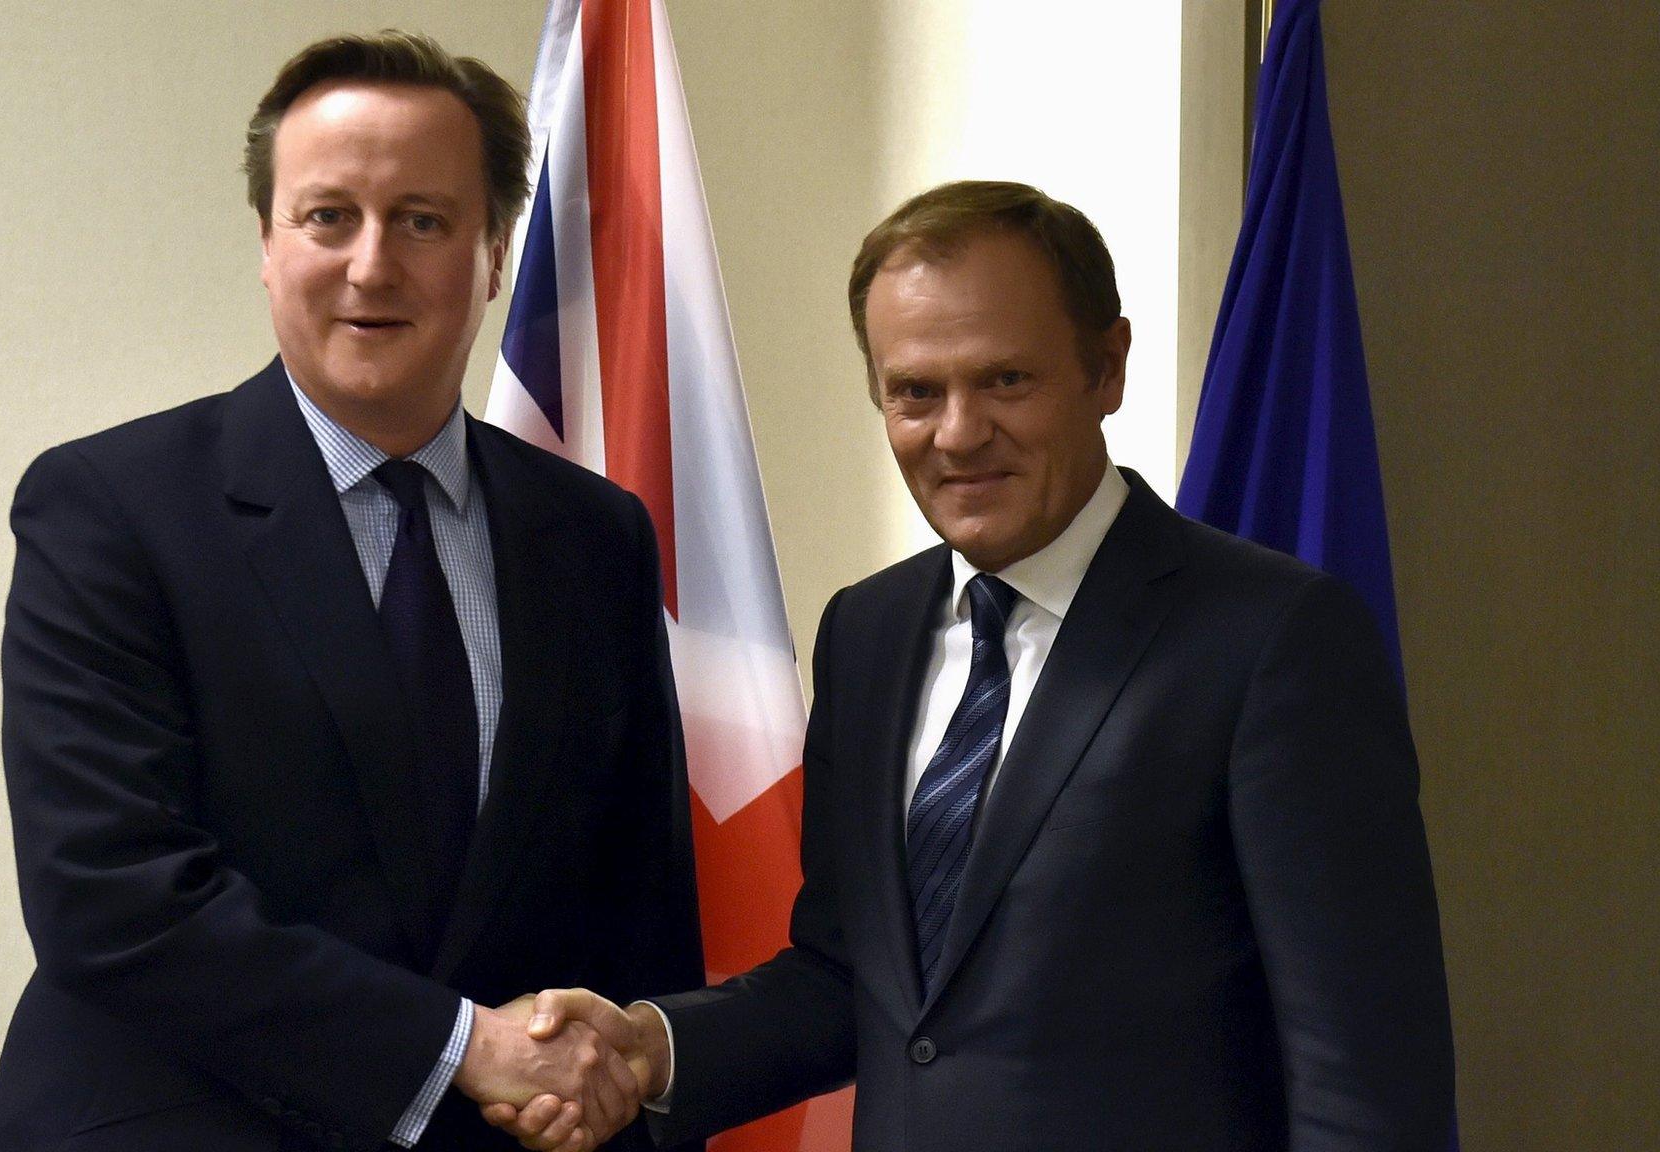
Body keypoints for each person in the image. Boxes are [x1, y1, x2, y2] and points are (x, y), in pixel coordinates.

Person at [493, 181, 1454, 1152]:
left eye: (1004, 381)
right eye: (914, 392)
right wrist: (650, 1048)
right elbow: (850, 981)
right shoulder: (866, 633)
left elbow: (1361, 1080)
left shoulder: (1271, 640)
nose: (956, 434)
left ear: (1106, 367)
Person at [0, 33, 701, 1152]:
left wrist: (609, 1086)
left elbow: (638, 911)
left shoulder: (596, 538)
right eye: (328, 217)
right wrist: (463, 1049)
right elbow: (110, 895)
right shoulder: (109, 509)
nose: (372, 265)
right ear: (267, 244)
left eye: (422, 219)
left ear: (494, 252)